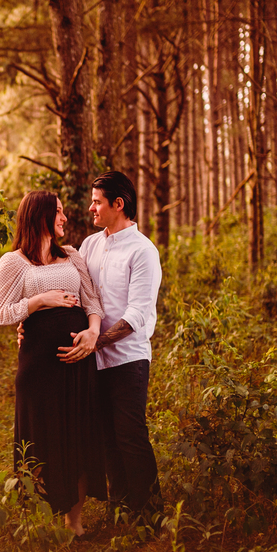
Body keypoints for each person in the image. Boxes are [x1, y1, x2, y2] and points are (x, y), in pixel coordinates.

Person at [0, 191, 107, 536]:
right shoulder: (13, 262)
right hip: (38, 368)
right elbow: (1, 313)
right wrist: (41, 299)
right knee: (42, 439)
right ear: (40, 215)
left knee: (78, 437)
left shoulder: (72, 256)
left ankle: (75, 524)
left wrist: (92, 332)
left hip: (76, 362)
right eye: (57, 211)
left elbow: (93, 302)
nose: (64, 218)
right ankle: (40, 520)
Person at [59, 171, 163, 522]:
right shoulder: (89, 245)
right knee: (107, 441)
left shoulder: (143, 251)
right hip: (94, 363)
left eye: (97, 202)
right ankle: (121, 514)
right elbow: (78, 297)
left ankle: (150, 517)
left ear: (118, 204)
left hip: (128, 360)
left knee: (130, 436)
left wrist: (95, 342)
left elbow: (136, 315)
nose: (91, 208)